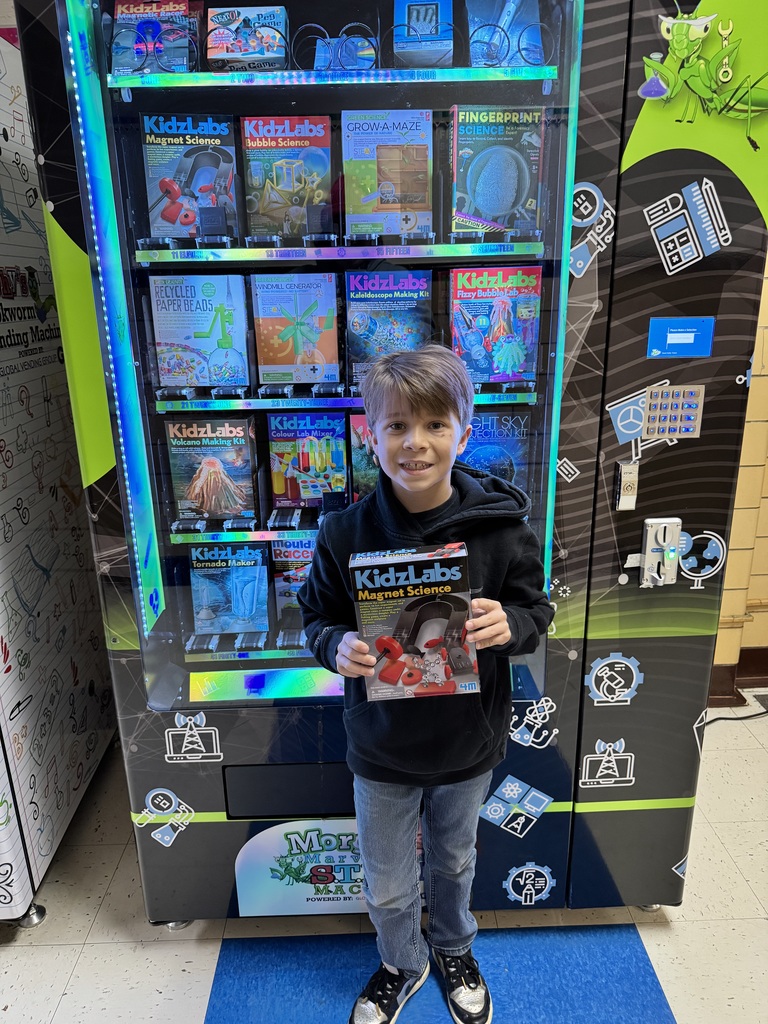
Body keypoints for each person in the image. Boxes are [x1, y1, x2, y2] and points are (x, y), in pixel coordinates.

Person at [298, 345, 554, 1024]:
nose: (416, 443)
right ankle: (400, 963)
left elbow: (537, 610)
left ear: (464, 433)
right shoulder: (342, 533)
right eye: (397, 426)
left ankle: (453, 948)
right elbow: (316, 618)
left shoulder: (503, 531)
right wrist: (338, 645)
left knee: (453, 863)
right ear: (368, 434)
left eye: (436, 425)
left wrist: (514, 624)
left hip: (468, 744)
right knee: (386, 885)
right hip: (381, 746)